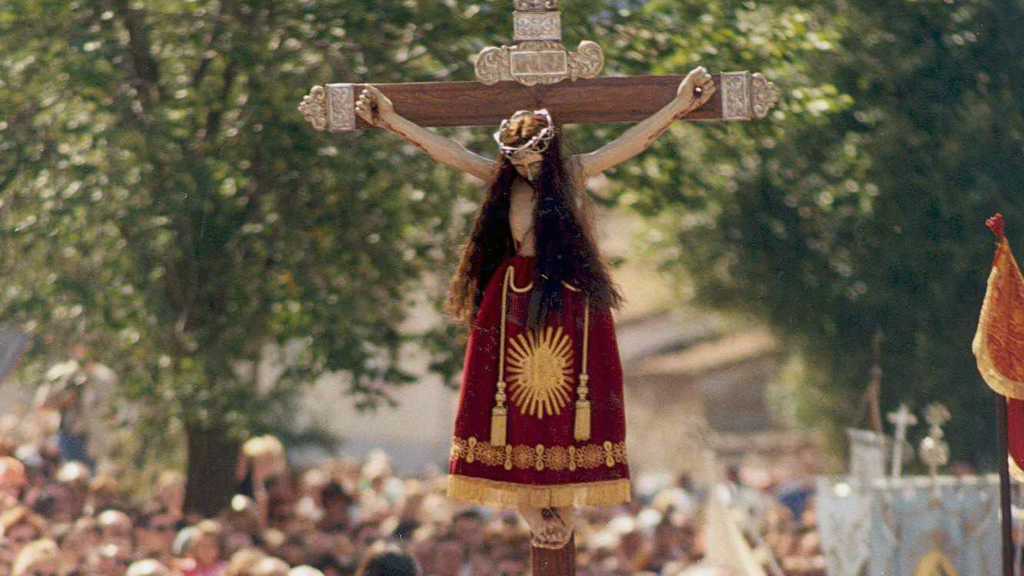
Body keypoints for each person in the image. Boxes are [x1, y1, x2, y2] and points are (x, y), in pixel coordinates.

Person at [354, 66, 716, 549]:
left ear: (547, 150)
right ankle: (529, 505)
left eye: (530, 161)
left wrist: (678, 106)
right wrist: (392, 121)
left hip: (571, 300)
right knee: (508, 402)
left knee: (570, 405)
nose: (524, 170)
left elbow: (632, 142)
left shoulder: (572, 173)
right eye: (517, 163)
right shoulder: (506, 181)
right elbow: (452, 153)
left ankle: (561, 506)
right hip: (514, 301)